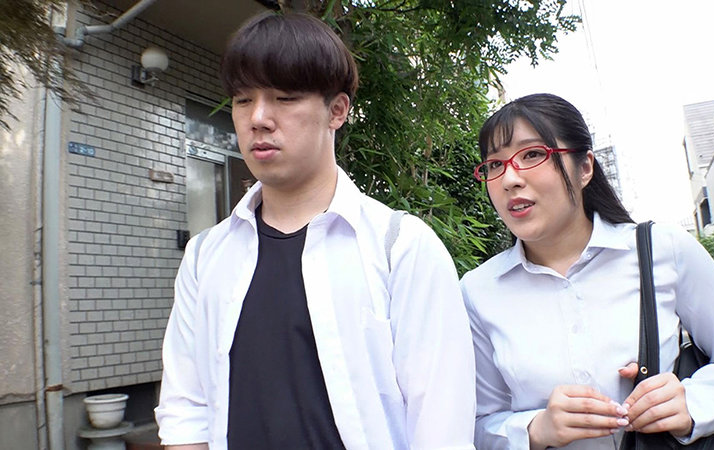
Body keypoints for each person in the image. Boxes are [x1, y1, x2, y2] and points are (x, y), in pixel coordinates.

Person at [155, 13, 475, 450]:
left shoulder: (400, 247)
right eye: (243, 100)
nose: (258, 118)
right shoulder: (205, 255)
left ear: (337, 111)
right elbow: (186, 411)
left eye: (285, 98)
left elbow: (441, 427)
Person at [460, 93, 714, 450]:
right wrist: (536, 428)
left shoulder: (663, 249)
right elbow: (478, 422)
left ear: (584, 168)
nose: (509, 179)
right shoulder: (478, 291)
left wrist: (693, 403)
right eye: (494, 165)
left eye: (532, 154)